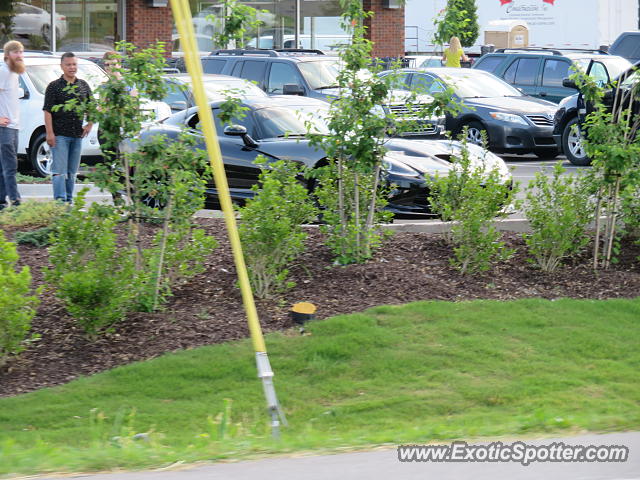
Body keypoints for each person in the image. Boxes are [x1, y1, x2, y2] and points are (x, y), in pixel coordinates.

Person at [43, 52, 93, 203]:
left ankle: (69, 202)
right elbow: (47, 111)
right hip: (59, 136)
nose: (72, 67)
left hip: (77, 135)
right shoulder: (54, 87)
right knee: (59, 171)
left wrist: (89, 124)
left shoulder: (83, 85)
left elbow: (92, 107)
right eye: (68, 64)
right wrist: (50, 133)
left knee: (72, 172)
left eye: (74, 64)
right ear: (62, 66)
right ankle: (60, 202)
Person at [0, 40, 25, 210]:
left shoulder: (14, 72)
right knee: (10, 166)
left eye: (21, 52)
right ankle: (16, 202)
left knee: (3, 166)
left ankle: (1, 202)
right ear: (8, 55)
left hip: (14, 126)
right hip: (5, 128)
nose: (20, 55)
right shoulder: (3, 71)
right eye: (16, 52)